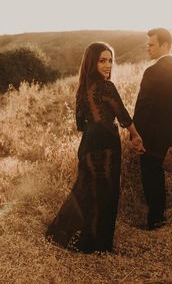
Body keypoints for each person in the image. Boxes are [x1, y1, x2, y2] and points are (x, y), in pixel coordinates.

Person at [46, 41, 145, 253]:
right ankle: (96, 245)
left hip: (88, 144)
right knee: (106, 194)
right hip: (106, 144)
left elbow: (80, 124)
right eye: (102, 61)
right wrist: (135, 136)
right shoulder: (106, 86)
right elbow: (124, 115)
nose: (108, 65)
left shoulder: (82, 87)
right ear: (92, 62)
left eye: (110, 60)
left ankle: (60, 235)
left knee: (85, 191)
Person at [133, 28, 172, 230]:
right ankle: (158, 217)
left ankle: (155, 220)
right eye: (147, 44)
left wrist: (135, 134)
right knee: (156, 172)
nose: (148, 48)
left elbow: (143, 106)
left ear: (165, 45)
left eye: (152, 44)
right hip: (167, 134)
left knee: (150, 174)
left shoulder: (153, 72)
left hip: (149, 134)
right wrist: (171, 131)